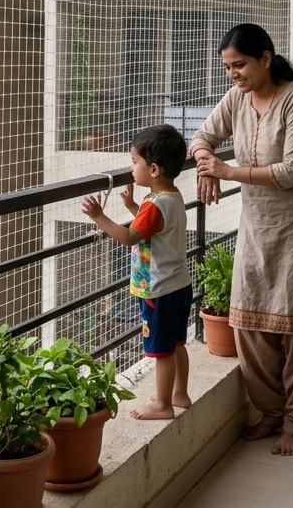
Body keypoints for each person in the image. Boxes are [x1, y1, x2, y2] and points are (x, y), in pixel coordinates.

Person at [188, 23, 293, 456]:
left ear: (266, 58)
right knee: (247, 320)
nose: (233, 75)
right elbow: (203, 136)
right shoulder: (238, 99)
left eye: (240, 65)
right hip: (258, 225)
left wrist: (228, 173)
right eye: (227, 67)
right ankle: (270, 410)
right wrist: (206, 162)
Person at [81, 124, 194, 421]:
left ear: (154, 169)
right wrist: (133, 206)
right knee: (177, 343)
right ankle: (180, 393)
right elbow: (154, 231)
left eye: (134, 162)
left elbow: (130, 237)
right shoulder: (171, 196)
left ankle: (162, 404)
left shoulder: (154, 206)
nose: (131, 168)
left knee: (161, 351)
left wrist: (99, 216)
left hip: (159, 290)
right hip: (179, 285)